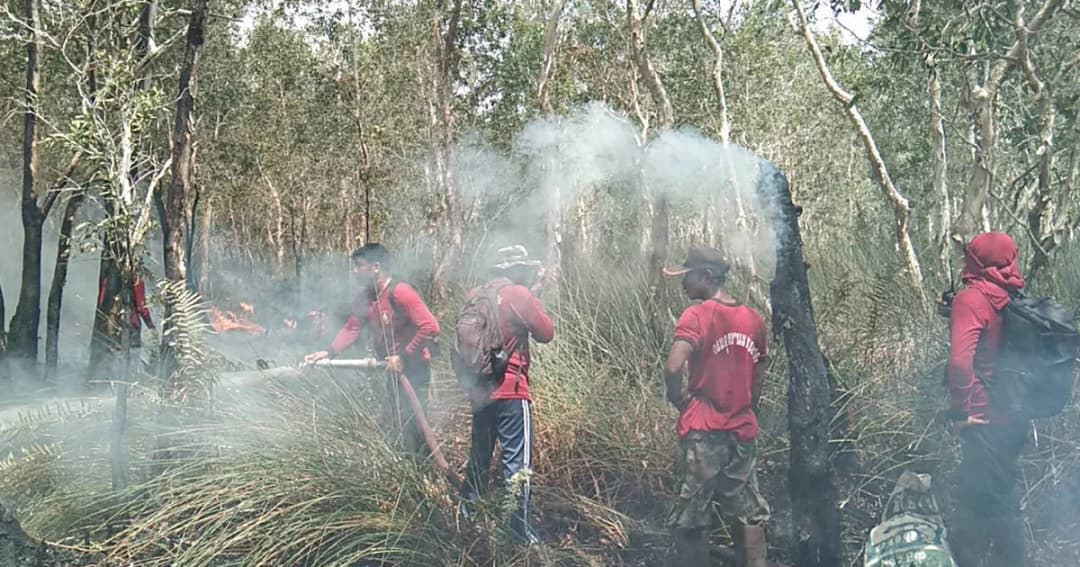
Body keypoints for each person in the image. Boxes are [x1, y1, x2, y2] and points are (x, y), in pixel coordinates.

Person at [661, 246, 772, 567]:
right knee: (748, 512)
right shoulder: (754, 319)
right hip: (742, 429)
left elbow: (672, 367)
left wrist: (678, 399)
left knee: (692, 514)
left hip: (704, 431)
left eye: (688, 277)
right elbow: (758, 379)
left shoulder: (696, 316)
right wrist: (744, 407)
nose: (683, 284)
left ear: (707, 278)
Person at [941, 232, 1029, 567]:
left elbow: (961, 363)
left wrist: (961, 412)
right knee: (997, 495)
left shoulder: (971, 299)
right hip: (1014, 417)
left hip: (982, 420)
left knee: (986, 508)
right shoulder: (1012, 294)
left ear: (977, 261)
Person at [304, 243, 440, 455]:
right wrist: (329, 352)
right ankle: (405, 467)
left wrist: (404, 356)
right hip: (392, 368)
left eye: (359, 266)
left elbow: (430, 327)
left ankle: (425, 471)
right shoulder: (365, 298)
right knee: (397, 419)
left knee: (415, 421)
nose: (354, 271)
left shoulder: (401, 292)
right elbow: (352, 328)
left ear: (376, 267)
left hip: (414, 368)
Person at [459, 245, 554, 544]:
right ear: (516, 270)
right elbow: (546, 333)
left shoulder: (475, 296)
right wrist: (533, 294)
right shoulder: (519, 295)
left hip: (480, 391)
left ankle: (468, 521)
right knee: (518, 464)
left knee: (479, 458)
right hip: (512, 390)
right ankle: (518, 532)